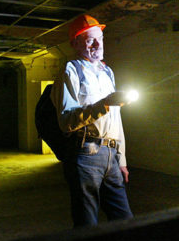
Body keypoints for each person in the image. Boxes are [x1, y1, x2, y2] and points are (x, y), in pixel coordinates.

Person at [51, 14, 134, 227]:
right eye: (90, 40)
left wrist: (121, 160)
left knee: (125, 219)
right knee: (87, 223)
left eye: (101, 38)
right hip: (85, 154)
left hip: (111, 155)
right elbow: (66, 121)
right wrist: (104, 104)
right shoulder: (70, 71)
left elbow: (117, 120)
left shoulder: (108, 72)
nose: (98, 44)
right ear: (75, 43)